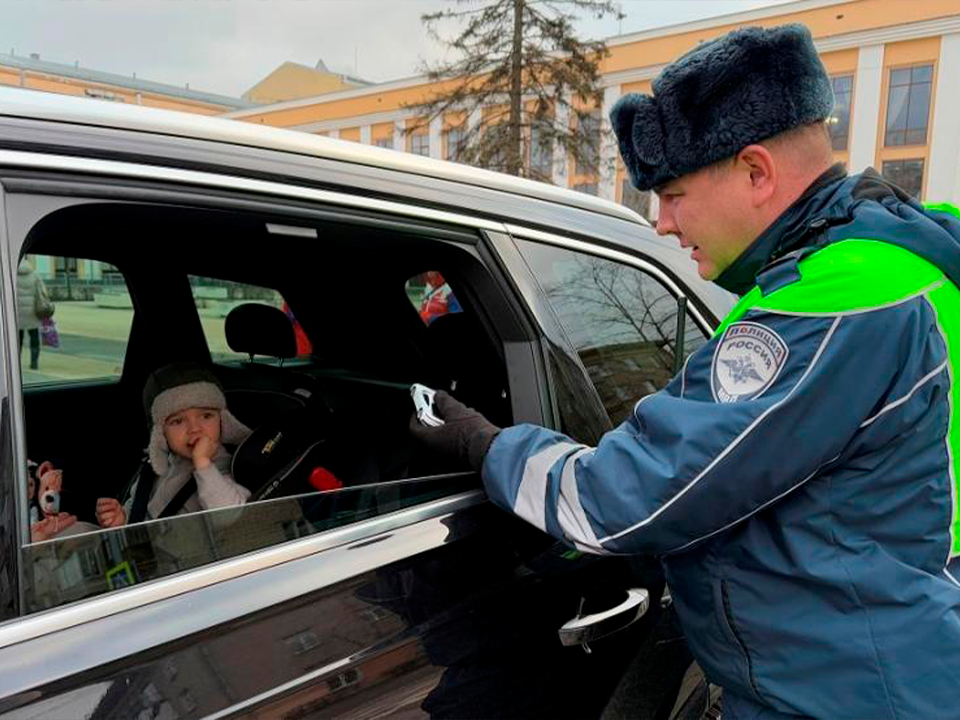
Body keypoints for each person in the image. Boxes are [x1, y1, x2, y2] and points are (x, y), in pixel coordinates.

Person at [410, 23, 960, 720]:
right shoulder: (909, 264)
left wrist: (483, 445)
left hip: (841, 692)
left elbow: (621, 499)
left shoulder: (832, 304)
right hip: (898, 656)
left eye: (672, 195)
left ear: (756, 172)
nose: (663, 224)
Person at [96, 362, 253, 527]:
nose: (194, 429)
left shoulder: (226, 466)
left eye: (206, 416)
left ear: (223, 421)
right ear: (160, 433)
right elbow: (139, 508)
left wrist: (203, 464)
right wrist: (122, 518)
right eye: (177, 421)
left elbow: (227, 516)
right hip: (146, 547)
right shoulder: (158, 464)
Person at [16, 258, 46, 370]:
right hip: (32, 312)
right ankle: (34, 363)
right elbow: (43, 292)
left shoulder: (12, 275)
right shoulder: (35, 275)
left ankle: (16, 363)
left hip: (17, 312)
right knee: (34, 337)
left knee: (17, 339)